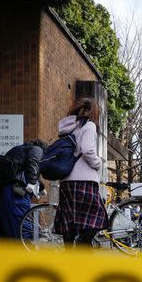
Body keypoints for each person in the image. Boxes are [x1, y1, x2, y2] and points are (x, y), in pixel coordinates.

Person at [54, 97, 108, 247]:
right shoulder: (89, 125)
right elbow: (87, 149)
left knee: (69, 219)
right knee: (98, 216)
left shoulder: (69, 127)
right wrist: (97, 163)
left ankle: (69, 253)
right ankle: (82, 244)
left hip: (66, 180)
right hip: (85, 180)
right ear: (94, 112)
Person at [0, 139, 47, 239]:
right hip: (15, 192)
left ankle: (9, 253)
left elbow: (21, 170)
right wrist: (32, 183)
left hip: (1, 190)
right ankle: (23, 252)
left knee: (5, 228)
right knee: (21, 226)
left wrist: (41, 187)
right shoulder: (37, 150)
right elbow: (33, 163)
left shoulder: (20, 149)